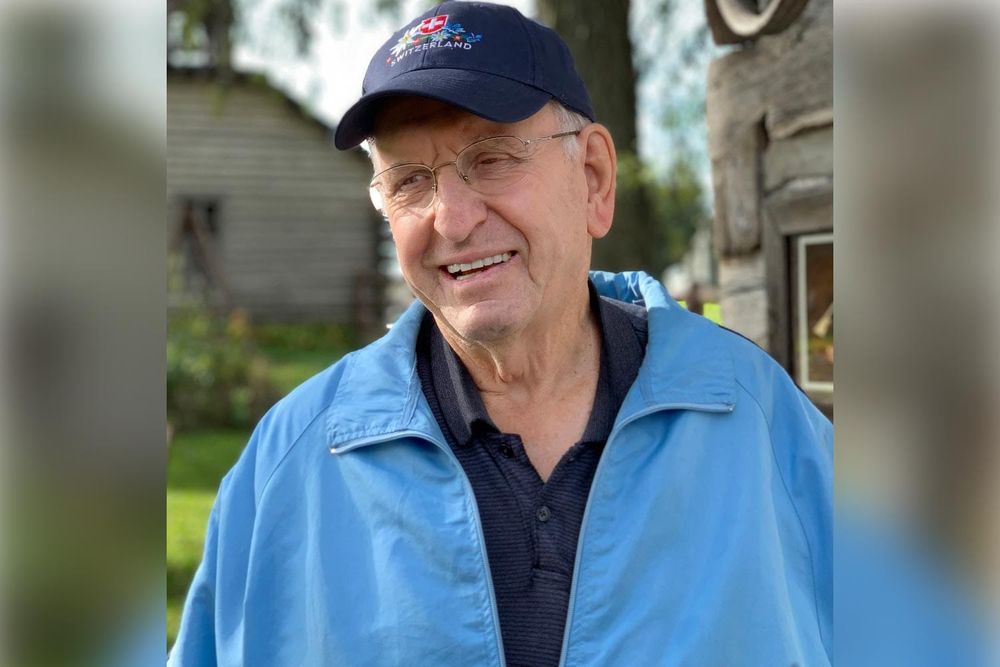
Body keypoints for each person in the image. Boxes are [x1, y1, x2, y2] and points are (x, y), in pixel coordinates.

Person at [169, 2, 832, 665]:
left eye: (491, 159)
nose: (453, 219)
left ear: (594, 178)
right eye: (409, 181)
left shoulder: (762, 425)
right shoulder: (292, 462)